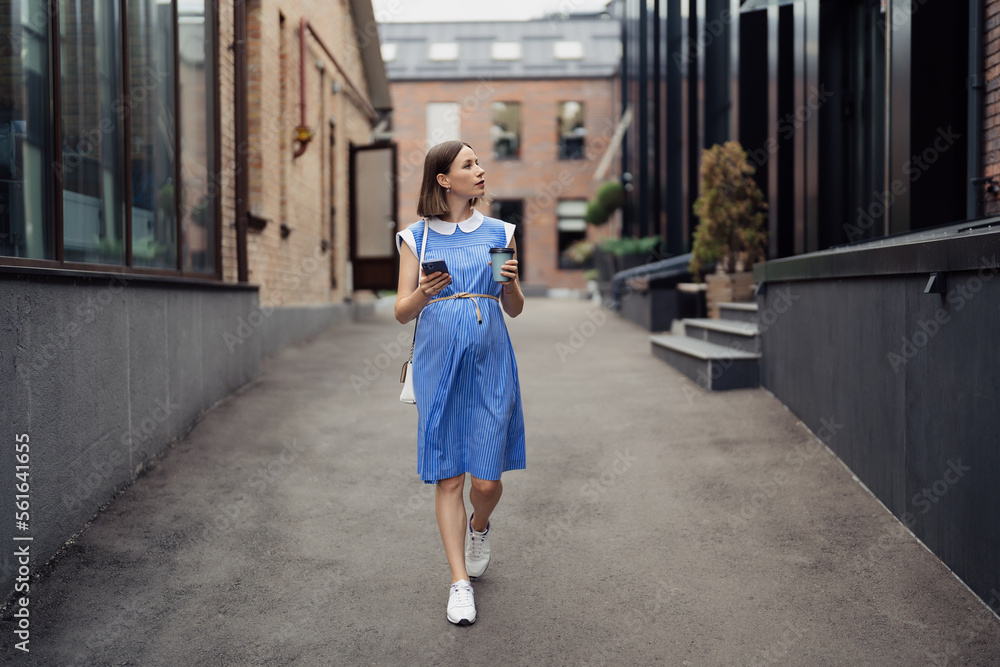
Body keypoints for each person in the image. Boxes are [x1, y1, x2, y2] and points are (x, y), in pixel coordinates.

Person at [394, 140, 526, 626]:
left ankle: (480, 524)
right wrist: (423, 294)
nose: (481, 170)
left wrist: (510, 283)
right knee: (450, 476)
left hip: (491, 363)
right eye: (469, 164)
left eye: (479, 162)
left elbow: (512, 307)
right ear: (444, 179)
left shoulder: (499, 232)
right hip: (437, 365)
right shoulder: (418, 238)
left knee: (486, 480)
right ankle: (459, 583)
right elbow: (400, 311)